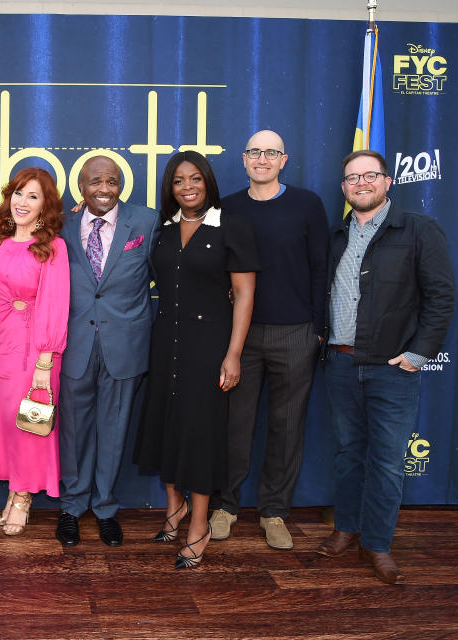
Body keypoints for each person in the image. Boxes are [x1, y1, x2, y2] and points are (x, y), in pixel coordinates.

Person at [317, 150, 454, 585]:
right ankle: (346, 528)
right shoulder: (335, 235)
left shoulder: (417, 230)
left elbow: (441, 297)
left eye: (369, 176)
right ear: (343, 188)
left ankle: (377, 544)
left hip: (391, 369)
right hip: (340, 364)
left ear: (388, 181)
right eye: (352, 178)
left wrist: (418, 354)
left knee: (388, 462)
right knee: (347, 455)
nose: (361, 183)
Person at [133, 150, 258, 569]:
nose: (188, 187)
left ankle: (199, 524)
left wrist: (234, 353)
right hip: (165, 339)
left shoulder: (232, 225)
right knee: (167, 425)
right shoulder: (163, 231)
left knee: (201, 434)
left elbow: (243, 294)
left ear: (208, 182)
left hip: (210, 345)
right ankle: (175, 508)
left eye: (195, 179)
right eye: (178, 181)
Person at [210, 130, 329, 550]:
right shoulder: (225, 208)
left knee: (287, 426)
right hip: (240, 337)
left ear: (284, 160)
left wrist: (316, 329)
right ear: (243, 159)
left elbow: (321, 267)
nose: (262, 158)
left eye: (271, 153)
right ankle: (225, 506)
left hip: (296, 333)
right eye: (255, 152)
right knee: (234, 427)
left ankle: (275, 511)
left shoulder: (307, 205)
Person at [55, 156, 160, 548]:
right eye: (95, 181)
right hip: (75, 345)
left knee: (114, 432)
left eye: (111, 181)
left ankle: (105, 510)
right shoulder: (61, 226)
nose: (104, 188)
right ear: (81, 186)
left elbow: (166, 277)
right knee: (74, 432)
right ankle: (71, 507)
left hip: (125, 346)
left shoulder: (146, 223)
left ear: (121, 185)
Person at [0, 167, 70, 536]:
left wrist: (44, 362)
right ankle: (13, 491)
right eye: (18, 193)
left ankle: (22, 498)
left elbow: (55, 304)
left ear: (45, 206)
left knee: (31, 424)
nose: (22, 202)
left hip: (36, 347)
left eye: (32, 196)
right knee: (5, 423)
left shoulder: (53, 247)